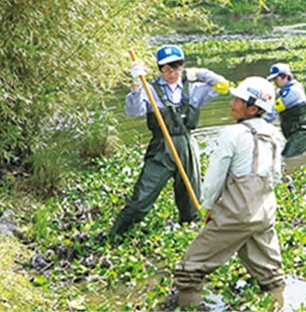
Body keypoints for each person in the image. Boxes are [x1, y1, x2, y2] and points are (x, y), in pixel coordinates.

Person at [173, 77, 286, 309]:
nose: (231, 103)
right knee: (270, 273)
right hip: (264, 213)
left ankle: (187, 307)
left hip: (236, 214)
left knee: (190, 269)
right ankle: (278, 304)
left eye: (238, 100)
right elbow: (276, 177)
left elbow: (215, 177)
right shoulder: (276, 136)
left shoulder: (232, 134)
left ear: (253, 108)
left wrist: (209, 206)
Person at [109, 45, 231, 240]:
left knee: (190, 198)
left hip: (186, 145)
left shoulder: (194, 88)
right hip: (161, 148)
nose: (172, 73)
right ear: (160, 69)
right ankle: (116, 234)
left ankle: (189, 234)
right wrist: (135, 85)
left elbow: (223, 86)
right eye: (166, 68)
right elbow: (133, 112)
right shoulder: (150, 89)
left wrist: (199, 73)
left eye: (176, 67)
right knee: (142, 196)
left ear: (182, 66)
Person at [265, 62, 306, 157]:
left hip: (301, 132)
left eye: (276, 78)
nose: (274, 81)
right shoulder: (284, 89)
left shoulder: (292, 92)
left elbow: (273, 112)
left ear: (286, 77)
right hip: (293, 131)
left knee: (286, 157)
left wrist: (257, 123)